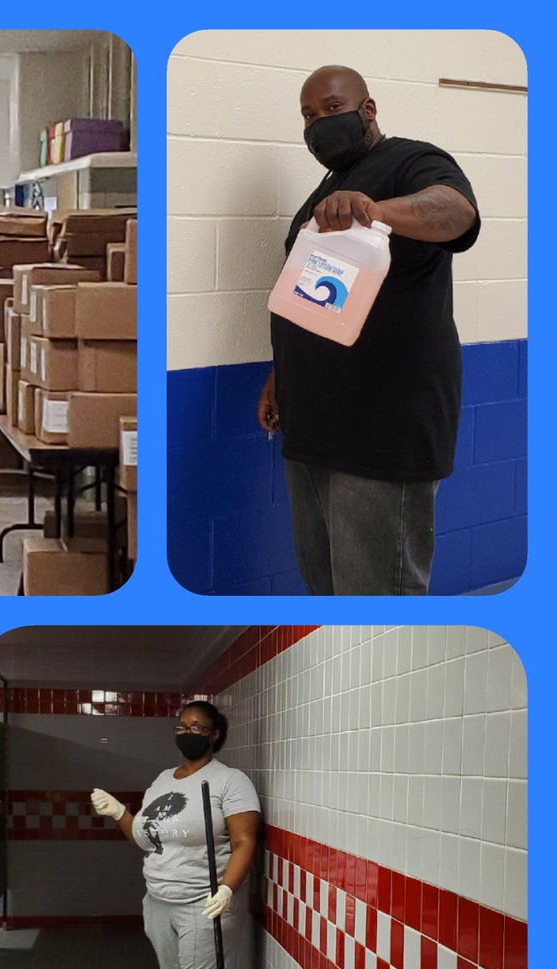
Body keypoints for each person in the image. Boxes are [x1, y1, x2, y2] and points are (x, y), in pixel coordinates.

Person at [257, 65, 480, 595]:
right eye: (308, 116)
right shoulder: (326, 190)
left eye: (332, 108)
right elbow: (311, 296)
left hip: (383, 429)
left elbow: (458, 213)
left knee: (376, 596)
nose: (318, 123)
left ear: (368, 109)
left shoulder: (411, 161)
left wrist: (373, 211)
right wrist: (279, 374)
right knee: (325, 591)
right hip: (312, 425)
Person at [90, 701, 260, 969]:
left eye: (198, 727)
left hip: (204, 906)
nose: (188, 733)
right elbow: (145, 841)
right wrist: (119, 813)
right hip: (159, 903)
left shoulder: (230, 782)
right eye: (182, 726)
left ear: (216, 734)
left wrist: (227, 889)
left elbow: (244, 841)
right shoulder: (164, 780)